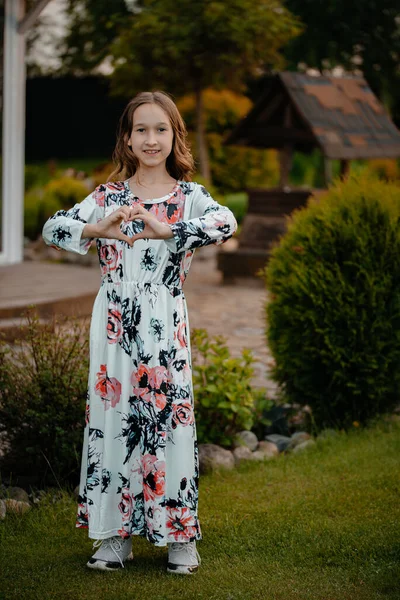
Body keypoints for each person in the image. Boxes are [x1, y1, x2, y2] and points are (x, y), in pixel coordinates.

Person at [42, 90, 238, 575]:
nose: (152, 140)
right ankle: (114, 537)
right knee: (113, 423)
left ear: (175, 137)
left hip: (165, 319)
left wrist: (165, 230)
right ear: (127, 139)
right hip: (113, 323)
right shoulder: (107, 196)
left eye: (161, 130)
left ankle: (178, 539)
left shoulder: (189, 197)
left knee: (169, 422)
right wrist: (99, 230)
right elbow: (53, 227)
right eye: (141, 130)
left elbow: (226, 223)